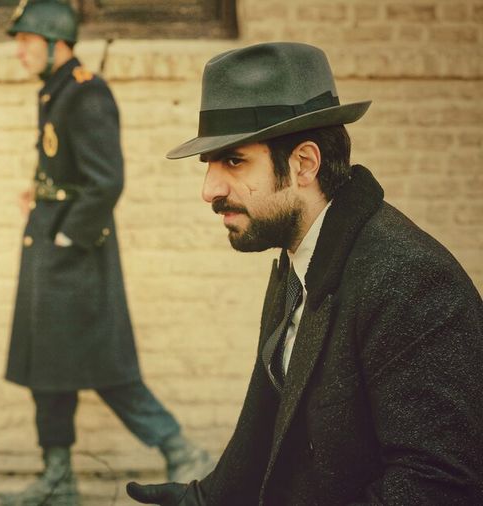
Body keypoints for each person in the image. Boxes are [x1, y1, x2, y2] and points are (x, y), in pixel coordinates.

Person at [126, 42, 483, 505]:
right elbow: (265, 423)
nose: (209, 189)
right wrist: (204, 500)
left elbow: (438, 483)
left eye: (233, 160)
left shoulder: (408, 280)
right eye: (209, 165)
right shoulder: (302, 258)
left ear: (304, 164)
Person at [3, 1, 214, 504]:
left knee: (101, 364)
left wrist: (66, 236)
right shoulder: (57, 90)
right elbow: (70, 168)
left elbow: (106, 180)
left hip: (75, 253)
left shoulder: (86, 92)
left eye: (26, 41)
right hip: (52, 243)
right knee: (48, 366)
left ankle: (181, 450)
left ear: (56, 43)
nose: (19, 52)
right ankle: (59, 479)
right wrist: (43, 192)